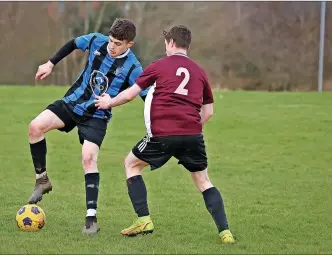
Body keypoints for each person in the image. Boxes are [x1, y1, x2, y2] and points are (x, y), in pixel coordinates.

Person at [94, 25, 236, 244]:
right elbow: (208, 112)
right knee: (203, 180)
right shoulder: (199, 71)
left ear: (170, 43)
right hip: (193, 135)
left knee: (131, 164)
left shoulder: (159, 66)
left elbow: (130, 94)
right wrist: (189, 128)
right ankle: (225, 232)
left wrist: (108, 102)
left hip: (163, 134)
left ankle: (144, 220)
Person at [30, 18, 148, 235]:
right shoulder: (96, 40)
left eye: (118, 44)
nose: (112, 46)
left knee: (88, 158)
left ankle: (91, 219)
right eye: (111, 41)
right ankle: (42, 180)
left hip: (97, 115)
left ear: (129, 44)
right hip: (73, 102)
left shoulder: (134, 67)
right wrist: (50, 63)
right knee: (35, 127)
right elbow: (73, 43)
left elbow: (145, 96)